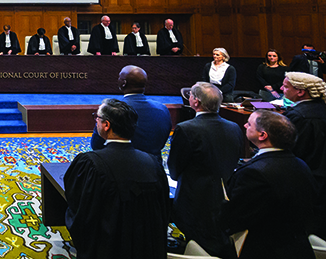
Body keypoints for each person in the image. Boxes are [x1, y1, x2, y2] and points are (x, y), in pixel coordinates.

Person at [65, 98, 169, 259]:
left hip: (106, 248)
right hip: (147, 248)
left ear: (106, 125)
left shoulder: (90, 163)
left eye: (97, 118)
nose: (96, 122)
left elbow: (80, 208)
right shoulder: (153, 163)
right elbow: (163, 210)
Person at [220, 111, 317, 259]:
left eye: (250, 124)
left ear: (262, 135)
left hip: (264, 250)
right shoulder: (301, 164)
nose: (245, 125)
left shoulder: (254, 173)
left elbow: (235, 217)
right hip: (298, 247)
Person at [167, 83, 244, 257]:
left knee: (195, 241)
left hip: (193, 198)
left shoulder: (186, 128)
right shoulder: (234, 127)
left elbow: (175, 167)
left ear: (196, 102)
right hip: (224, 196)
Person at [90, 65, 171, 163]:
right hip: (154, 168)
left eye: (119, 77)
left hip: (118, 167)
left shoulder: (111, 110)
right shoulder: (162, 109)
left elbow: (96, 145)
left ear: (123, 83)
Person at [282, 72, 326, 238]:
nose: (281, 88)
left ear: (300, 91)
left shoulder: (298, 116)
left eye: (286, 86)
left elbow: (291, 152)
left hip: (307, 180)